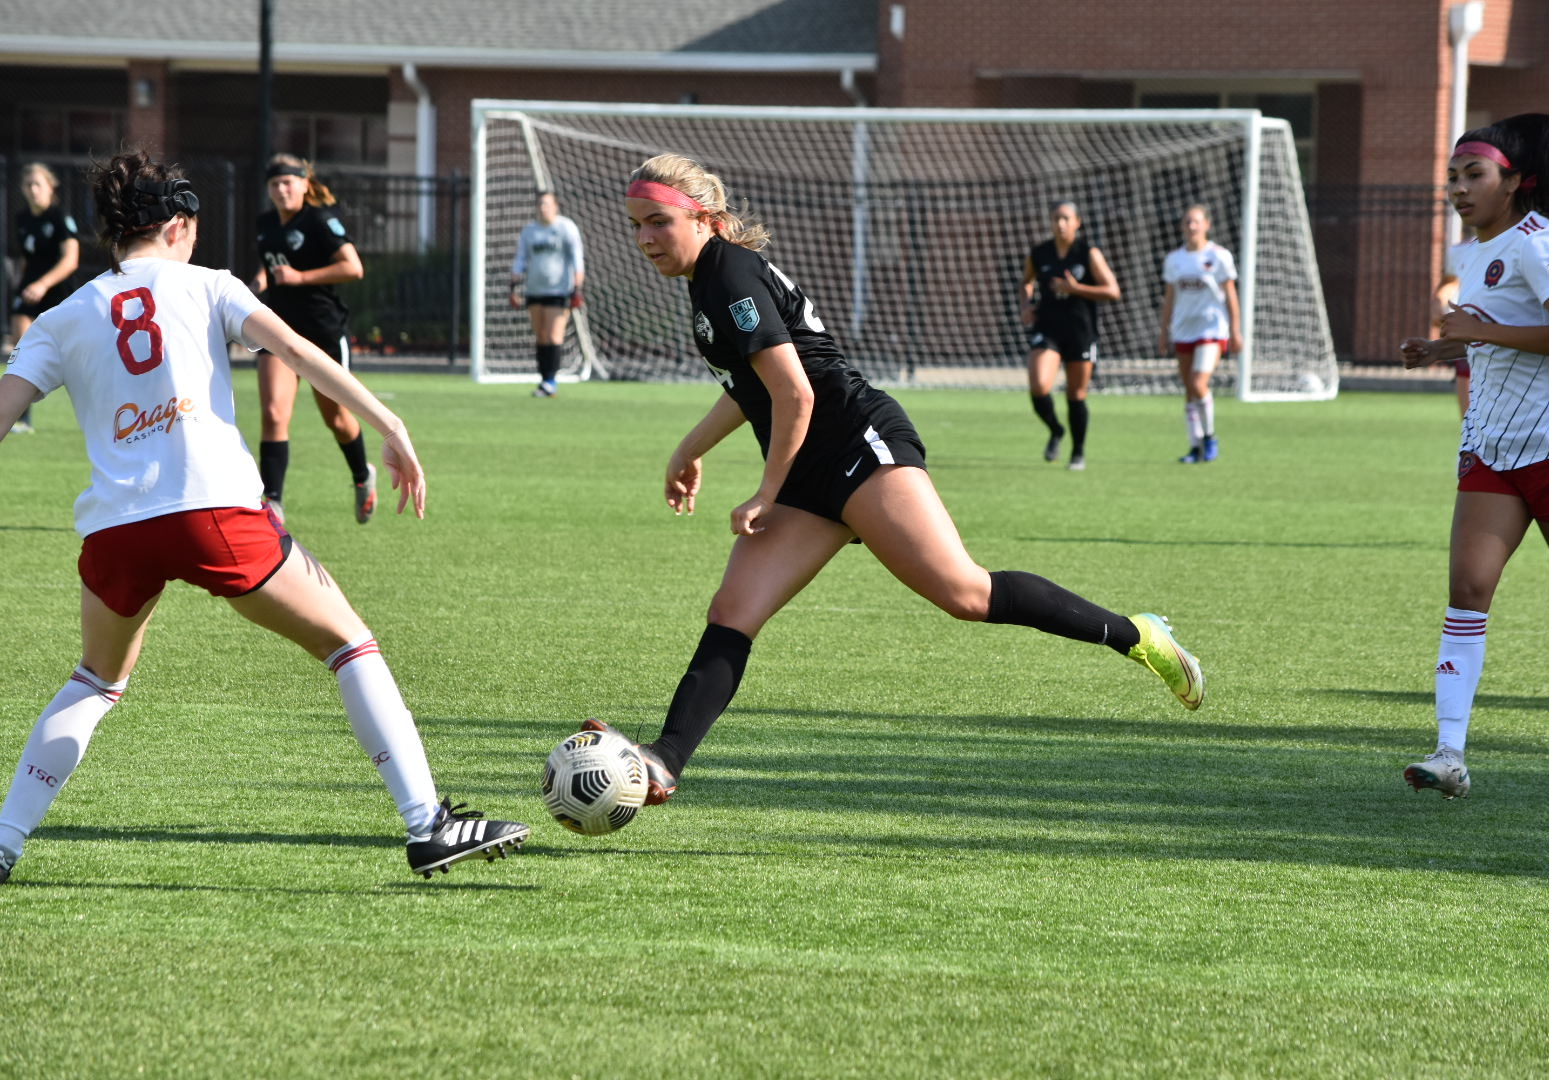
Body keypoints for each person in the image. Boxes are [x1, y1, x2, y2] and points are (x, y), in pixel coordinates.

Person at [587, 153, 1205, 806]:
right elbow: (750, 389)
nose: (645, 239)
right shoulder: (707, 278)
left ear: (704, 218)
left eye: (658, 221)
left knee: (965, 593)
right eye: (636, 225)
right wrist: (686, 451)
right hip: (806, 465)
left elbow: (794, 394)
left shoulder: (729, 273)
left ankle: (1139, 636)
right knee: (733, 612)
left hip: (858, 443)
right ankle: (664, 761)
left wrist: (767, 493)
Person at [0, 150, 528, 884]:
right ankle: (426, 824)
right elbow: (300, 350)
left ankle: (4, 839)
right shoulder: (210, 285)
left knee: (94, 680)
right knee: (348, 643)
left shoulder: (61, 317)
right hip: (213, 510)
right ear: (180, 224)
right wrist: (389, 423)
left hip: (117, 529)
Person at [1398, 113, 1549, 799]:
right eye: (1453, 178)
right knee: (1467, 591)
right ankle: (1450, 754)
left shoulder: (1537, 241)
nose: (1460, 189)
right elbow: (1495, 337)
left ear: (1516, 182)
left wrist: (1471, 328)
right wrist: (1447, 349)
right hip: (1491, 449)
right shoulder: (1469, 254)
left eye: (1474, 176)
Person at [251, 154, 375, 523]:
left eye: (288, 182)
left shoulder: (321, 220)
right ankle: (272, 503)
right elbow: (270, 265)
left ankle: (361, 476)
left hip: (321, 332)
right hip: (280, 329)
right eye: (275, 184)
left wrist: (300, 278)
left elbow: (353, 267)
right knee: (274, 412)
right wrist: (255, 284)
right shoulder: (265, 223)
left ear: (304, 184)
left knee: (336, 418)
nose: (281, 190)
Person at [1020, 200, 1121, 470]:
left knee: (1076, 394)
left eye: (1066, 218)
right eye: (1056, 218)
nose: (1060, 223)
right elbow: (1026, 282)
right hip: (1048, 328)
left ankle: (1077, 452)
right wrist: (1026, 305)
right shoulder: (1040, 253)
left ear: (1077, 222)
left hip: (1080, 331)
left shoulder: (1087, 253)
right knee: (1040, 385)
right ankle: (1055, 429)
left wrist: (1076, 288)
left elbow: (1112, 291)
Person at [1157, 205, 1241, 463]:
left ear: (1207, 225)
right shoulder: (1175, 259)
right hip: (1184, 330)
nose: (1191, 227)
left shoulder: (1219, 256)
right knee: (1189, 390)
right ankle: (1195, 447)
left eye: (1196, 222)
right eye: (1187, 222)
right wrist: (1164, 331)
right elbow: (1170, 298)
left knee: (1198, 383)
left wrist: (1236, 330)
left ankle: (1210, 437)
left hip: (1212, 329)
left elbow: (1230, 295)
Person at [9, 162, 81, 433]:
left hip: (56, 293)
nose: (32, 190)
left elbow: (71, 260)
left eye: (37, 184)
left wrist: (42, 284)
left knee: (74, 359)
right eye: (28, 185)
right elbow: (28, 260)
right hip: (29, 291)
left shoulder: (59, 217)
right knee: (21, 351)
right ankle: (20, 418)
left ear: (51, 186)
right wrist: (27, 284)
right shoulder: (22, 219)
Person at [509, 190, 585, 397]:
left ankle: (551, 381)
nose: (543, 207)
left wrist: (577, 287)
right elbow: (521, 258)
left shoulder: (565, 228)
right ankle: (544, 380)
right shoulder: (530, 231)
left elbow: (577, 258)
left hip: (559, 290)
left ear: (555, 206)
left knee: (553, 335)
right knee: (541, 335)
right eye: (540, 204)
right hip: (534, 289)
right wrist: (513, 284)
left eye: (547, 204)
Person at [1429, 272, 1469, 415]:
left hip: (1482, 354)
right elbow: (1435, 316)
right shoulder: (1451, 287)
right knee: (1469, 416)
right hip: (1466, 358)